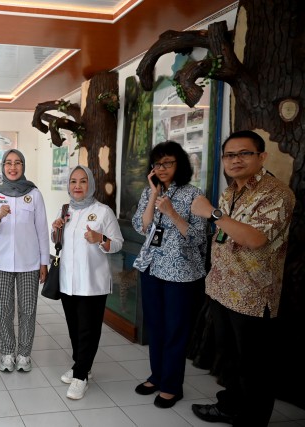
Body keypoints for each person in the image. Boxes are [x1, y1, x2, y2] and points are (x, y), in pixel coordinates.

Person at [190, 130, 295, 427]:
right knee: (229, 359)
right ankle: (229, 407)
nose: (235, 160)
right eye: (229, 155)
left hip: (253, 295)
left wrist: (212, 214)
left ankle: (251, 420)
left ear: (262, 156)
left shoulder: (276, 193)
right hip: (222, 289)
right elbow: (226, 234)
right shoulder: (231, 191)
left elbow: (255, 239)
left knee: (254, 367)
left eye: (244, 153)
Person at [131, 141, 207, 408]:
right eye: (157, 163)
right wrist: (153, 195)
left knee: (175, 330)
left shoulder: (194, 194)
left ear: (179, 164)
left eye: (168, 163)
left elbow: (198, 237)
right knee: (155, 326)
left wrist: (172, 213)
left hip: (181, 274)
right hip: (151, 267)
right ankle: (157, 376)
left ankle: (172, 386)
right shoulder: (149, 192)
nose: (161, 168)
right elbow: (142, 226)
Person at [51, 165, 123, 400]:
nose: (77, 186)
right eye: (73, 181)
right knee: (74, 329)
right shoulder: (65, 210)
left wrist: (100, 238)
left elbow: (118, 243)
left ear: (90, 184)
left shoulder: (103, 212)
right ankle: (82, 366)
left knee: (87, 331)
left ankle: (80, 376)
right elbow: (59, 243)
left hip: (92, 283)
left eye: (83, 181)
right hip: (68, 282)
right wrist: (56, 230)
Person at [0, 149, 50, 372]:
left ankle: (24, 355)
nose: (13, 167)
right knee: (4, 309)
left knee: (28, 310)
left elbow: (42, 230)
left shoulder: (34, 194)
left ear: (23, 166)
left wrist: (44, 262)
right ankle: (7, 352)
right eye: (9, 163)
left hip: (29, 263)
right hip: (0, 262)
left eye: (18, 163)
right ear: (3, 167)